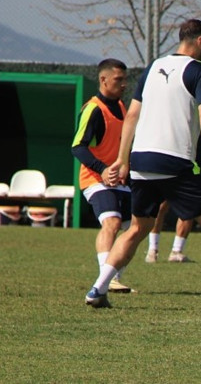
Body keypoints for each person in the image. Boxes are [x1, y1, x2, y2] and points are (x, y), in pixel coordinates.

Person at [85, 18, 201, 316]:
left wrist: (123, 158)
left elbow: (132, 115)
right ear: (199, 41)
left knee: (137, 227)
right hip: (176, 162)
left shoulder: (154, 67)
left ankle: (98, 288)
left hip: (141, 161)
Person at [72, 58, 134, 294]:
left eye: (125, 79)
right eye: (119, 79)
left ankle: (113, 276)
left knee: (136, 228)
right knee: (112, 222)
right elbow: (78, 147)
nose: (124, 84)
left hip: (118, 180)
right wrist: (103, 169)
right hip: (95, 179)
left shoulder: (121, 106)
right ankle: (107, 278)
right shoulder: (94, 108)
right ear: (103, 80)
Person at [145, 137, 201, 263]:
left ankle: (175, 251)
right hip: (175, 159)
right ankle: (153, 249)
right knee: (161, 206)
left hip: (191, 162)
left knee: (188, 207)